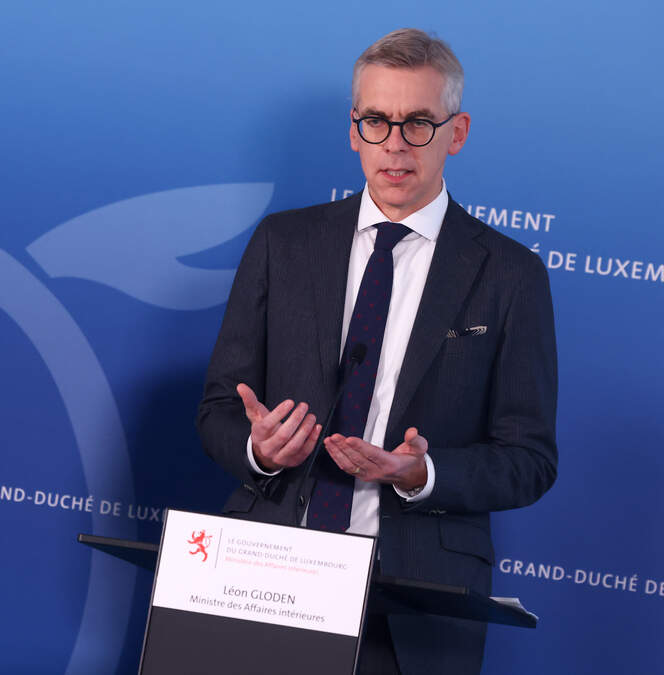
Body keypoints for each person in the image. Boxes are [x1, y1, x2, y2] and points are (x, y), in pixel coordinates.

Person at [196, 29, 557, 675]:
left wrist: (421, 474)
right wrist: (260, 450)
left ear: (457, 132)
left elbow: (529, 459)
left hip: (413, 602)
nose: (395, 143)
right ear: (354, 131)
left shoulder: (509, 274)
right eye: (376, 121)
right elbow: (220, 409)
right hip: (266, 576)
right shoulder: (284, 242)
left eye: (418, 122)